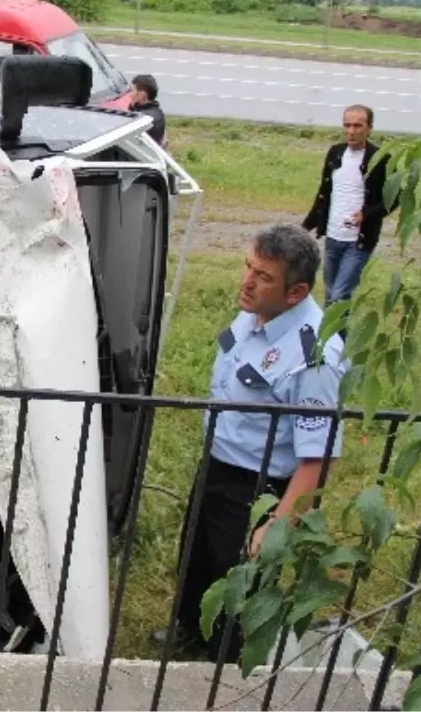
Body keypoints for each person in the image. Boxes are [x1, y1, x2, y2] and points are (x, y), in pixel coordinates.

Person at [161, 224, 346, 662]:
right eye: (248, 267)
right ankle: (190, 631)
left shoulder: (313, 357)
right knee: (199, 558)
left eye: (263, 276)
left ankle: (224, 663)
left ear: (295, 292)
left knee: (239, 581)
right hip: (219, 464)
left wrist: (278, 523)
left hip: (257, 486)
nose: (247, 282)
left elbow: (317, 459)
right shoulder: (255, 312)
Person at [301, 104, 395, 306]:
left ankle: (333, 337)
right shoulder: (335, 153)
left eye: (357, 126)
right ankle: (333, 338)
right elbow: (324, 193)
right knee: (329, 294)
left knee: (340, 295)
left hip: (358, 242)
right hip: (333, 237)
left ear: (369, 128)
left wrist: (366, 214)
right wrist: (305, 227)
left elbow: (395, 197)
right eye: (347, 125)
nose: (351, 131)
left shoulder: (381, 159)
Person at [129, 74, 167, 147]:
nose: (130, 95)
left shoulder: (142, 119)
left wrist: (132, 106)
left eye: (132, 91)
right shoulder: (158, 111)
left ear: (142, 95)